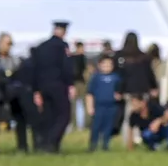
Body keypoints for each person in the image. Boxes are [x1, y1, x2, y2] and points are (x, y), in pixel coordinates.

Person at [30, 20, 76, 152]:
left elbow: (35, 69)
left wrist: (36, 89)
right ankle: (52, 141)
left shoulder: (41, 47)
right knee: (64, 115)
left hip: (43, 86)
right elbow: (67, 67)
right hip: (58, 85)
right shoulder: (62, 46)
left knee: (49, 116)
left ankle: (46, 144)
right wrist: (70, 84)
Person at [87, 56, 122, 151]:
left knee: (108, 126)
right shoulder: (96, 77)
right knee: (96, 126)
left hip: (111, 106)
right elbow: (90, 93)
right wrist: (90, 107)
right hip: (99, 106)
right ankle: (93, 145)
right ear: (99, 65)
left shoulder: (116, 77)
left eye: (109, 65)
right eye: (104, 64)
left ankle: (105, 145)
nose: (107, 67)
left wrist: (118, 96)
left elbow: (119, 90)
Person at [70, 40, 88, 131]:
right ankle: (81, 125)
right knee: (80, 104)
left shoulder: (71, 57)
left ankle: (75, 125)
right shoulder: (81, 58)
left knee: (75, 105)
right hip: (79, 83)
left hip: (75, 83)